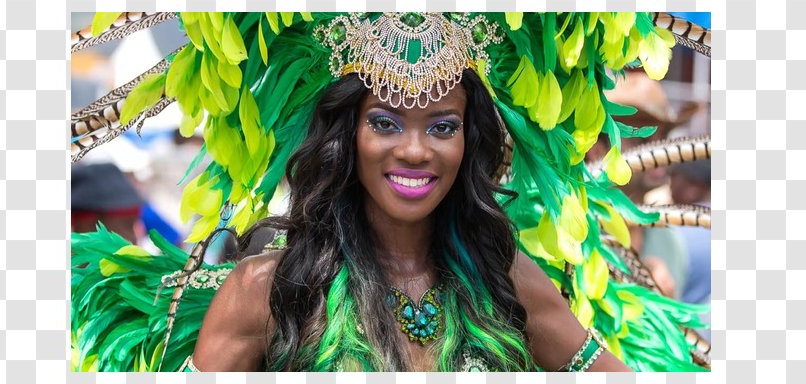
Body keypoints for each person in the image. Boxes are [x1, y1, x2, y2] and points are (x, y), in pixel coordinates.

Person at [70, 12, 711, 373]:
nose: (414, 149)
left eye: (442, 126)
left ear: (469, 143)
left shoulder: (505, 281)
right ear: (344, 138)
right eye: (384, 121)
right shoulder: (266, 292)